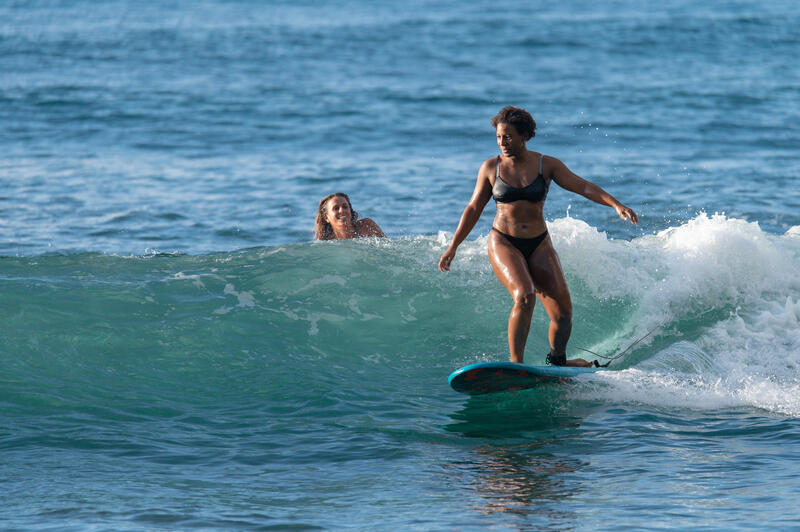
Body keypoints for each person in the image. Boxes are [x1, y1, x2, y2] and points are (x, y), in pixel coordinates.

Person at [438, 106, 638, 367]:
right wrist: (453, 246)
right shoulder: (490, 168)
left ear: (525, 136)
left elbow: (583, 186)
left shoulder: (547, 165)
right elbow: (474, 208)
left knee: (563, 314)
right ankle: (516, 365)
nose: (502, 143)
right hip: (504, 241)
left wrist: (615, 204)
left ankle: (557, 361)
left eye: (508, 136)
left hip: (539, 242)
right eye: (499, 137)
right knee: (524, 295)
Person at [315, 192, 385, 240]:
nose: (342, 211)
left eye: (345, 207)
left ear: (350, 211)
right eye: (336, 208)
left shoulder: (367, 226)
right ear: (326, 217)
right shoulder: (328, 242)